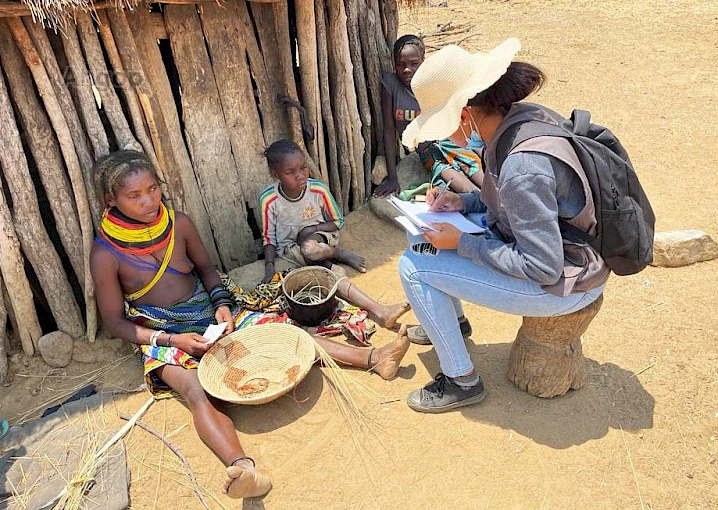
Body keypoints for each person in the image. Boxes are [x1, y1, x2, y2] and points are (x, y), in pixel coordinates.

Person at [90, 150, 411, 499]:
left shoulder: (178, 223)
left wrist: (223, 305)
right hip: (159, 330)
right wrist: (172, 340)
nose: (149, 200)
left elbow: (208, 272)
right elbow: (115, 323)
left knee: (285, 334)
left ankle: (374, 359)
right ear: (112, 200)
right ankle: (244, 469)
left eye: (152, 189)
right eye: (134, 195)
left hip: (208, 309)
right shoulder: (105, 254)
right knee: (195, 390)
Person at [397, 38, 609, 413]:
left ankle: (461, 380)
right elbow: (521, 204)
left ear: (464, 116)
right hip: (572, 256)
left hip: (566, 284)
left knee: (413, 267)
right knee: (420, 235)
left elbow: (542, 265)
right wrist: (464, 202)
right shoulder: (518, 120)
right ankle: (453, 323)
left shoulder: (521, 166)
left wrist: (461, 244)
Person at [261, 139, 410, 329]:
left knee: (311, 249)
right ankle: (380, 310)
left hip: (321, 236)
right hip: (291, 249)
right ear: (276, 174)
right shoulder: (268, 200)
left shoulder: (317, 190)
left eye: (303, 167)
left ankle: (336, 252)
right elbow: (268, 238)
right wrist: (269, 267)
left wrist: (311, 230)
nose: (300, 175)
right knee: (329, 272)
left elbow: (338, 222)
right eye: (290, 172)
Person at [373, 35, 484, 198]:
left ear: (423, 61)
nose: (407, 69)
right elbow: (389, 131)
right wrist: (392, 178)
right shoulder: (390, 85)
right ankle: (482, 200)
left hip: (451, 139)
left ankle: (497, 198)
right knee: (455, 180)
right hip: (426, 149)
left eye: (414, 63)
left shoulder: (434, 81)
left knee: (472, 167)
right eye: (400, 64)